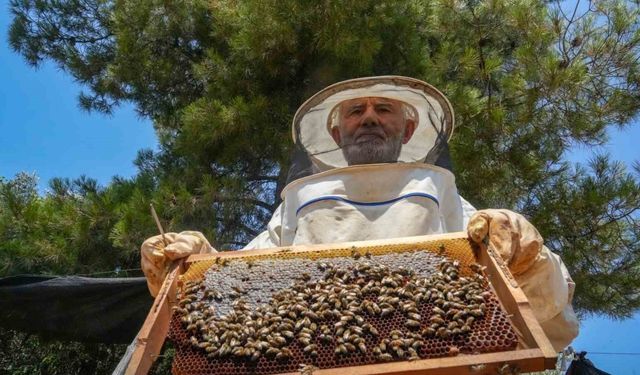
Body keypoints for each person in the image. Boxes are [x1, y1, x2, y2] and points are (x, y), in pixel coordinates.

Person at [141, 76, 579, 351]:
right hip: (310, 357)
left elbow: (546, 303)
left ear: (407, 129)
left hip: (434, 353)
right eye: (356, 111)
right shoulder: (299, 200)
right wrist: (194, 266)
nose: (369, 118)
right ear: (337, 131)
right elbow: (242, 281)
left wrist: (525, 253)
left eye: (383, 109)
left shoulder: (437, 190)